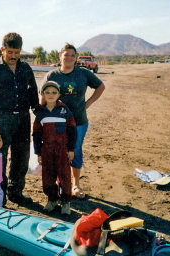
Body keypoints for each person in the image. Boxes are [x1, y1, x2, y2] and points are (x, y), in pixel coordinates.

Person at [0, 32, 40, 206]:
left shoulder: (26, 68)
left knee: (21, 157)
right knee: (0, 158)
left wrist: (39, 112)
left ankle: (16, 192)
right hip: (2, 118)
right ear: (2, 50)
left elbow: (32, 92)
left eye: (17, 52)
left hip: (23, 117)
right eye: (10, 52)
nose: (13, 56)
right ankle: (0, 195)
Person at [43, 43, 105, 199]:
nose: (69, 57)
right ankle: (61, 184)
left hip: (78, 121)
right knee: (58, 152)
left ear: (76, 57)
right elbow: (43, 97)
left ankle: (76, 185)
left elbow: (100, 86)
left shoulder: (83, 73)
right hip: (57, 122)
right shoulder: (52, 76)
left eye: (72, 55)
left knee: (75, 151)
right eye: (66, 54)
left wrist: (88, 103)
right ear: (60, 56)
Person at [33, 81, 77, 215]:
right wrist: (38, 152)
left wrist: (71, 149)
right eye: (47, 92)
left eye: (54, 92)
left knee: (64, 174)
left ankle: (65, 202)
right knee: (48, 174)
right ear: (42, 94)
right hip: (46, 150)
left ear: (58, 94)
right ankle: (52, 199)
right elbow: (36, 134)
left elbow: (72, 130)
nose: (51, 95)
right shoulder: (41, 113)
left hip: (62, 150)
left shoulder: (64, 110)